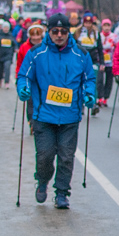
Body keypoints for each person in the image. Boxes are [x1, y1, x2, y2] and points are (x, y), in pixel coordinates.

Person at [17, 12, 95, 209]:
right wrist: (23, 88)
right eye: (55, 31)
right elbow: (23, 75)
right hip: (44, 116)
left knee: (66, 157)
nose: (59, 35)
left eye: (63, 31)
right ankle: (42, 180)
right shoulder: (36, 53)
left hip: (70, 117)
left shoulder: (81, 54)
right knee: (45, 155)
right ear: (48, 32)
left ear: (68, 32)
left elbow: (89, 78)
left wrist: (89, 93)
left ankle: (62, 193)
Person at [76, 17, 105, 115]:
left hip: (93, 61)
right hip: (80, 61)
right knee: (80, 82)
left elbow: (100, 48)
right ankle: (81, 104)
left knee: (93, 82)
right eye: (86, 23)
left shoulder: (96, 33)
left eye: (89, 23)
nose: (88, 25)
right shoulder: (78, 32)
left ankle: (93, 104)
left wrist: (102, 62)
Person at [0, 19, 16, 88]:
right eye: (5, 28)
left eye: (7, 28)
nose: (6, 29)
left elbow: (14, 44)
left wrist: (16, 48)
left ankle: (7, 82)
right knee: (0, 69)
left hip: (8, 55)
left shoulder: (10, 35)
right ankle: (0, 80)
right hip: (0, 55)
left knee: (7, 67)